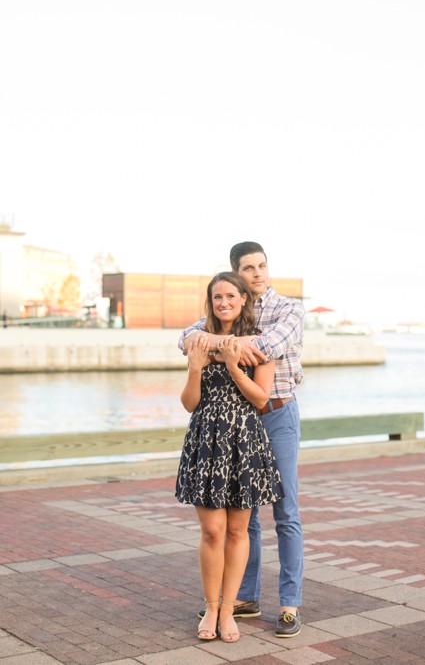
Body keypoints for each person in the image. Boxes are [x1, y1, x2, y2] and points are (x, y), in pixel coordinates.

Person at [179, 242, 306, 638]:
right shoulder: (224, 308)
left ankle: (289, 604)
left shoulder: (288, 309)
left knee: (284, 509)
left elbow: (267, 347)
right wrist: (206, 347)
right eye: (248, 268)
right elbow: (184, 338)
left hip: (275, 414)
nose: (258, 273)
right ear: (235, 273)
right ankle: (242, 597)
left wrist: (218, 349)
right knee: (240, 521)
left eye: (262, 266)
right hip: (223, 431)